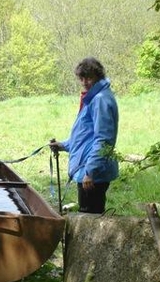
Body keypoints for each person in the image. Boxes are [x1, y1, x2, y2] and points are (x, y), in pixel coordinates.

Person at [50, 57, 119, 214]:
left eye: (88, 77)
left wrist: (91, 171)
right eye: (81, 78)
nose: (84, 82)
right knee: (88, 214)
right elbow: (86, 135)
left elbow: (104, 139)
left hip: (92, 173)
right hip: (87, 168)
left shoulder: (100, 99)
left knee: (90, 220)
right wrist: (64, 145)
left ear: (98, 76)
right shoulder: (94, 97)